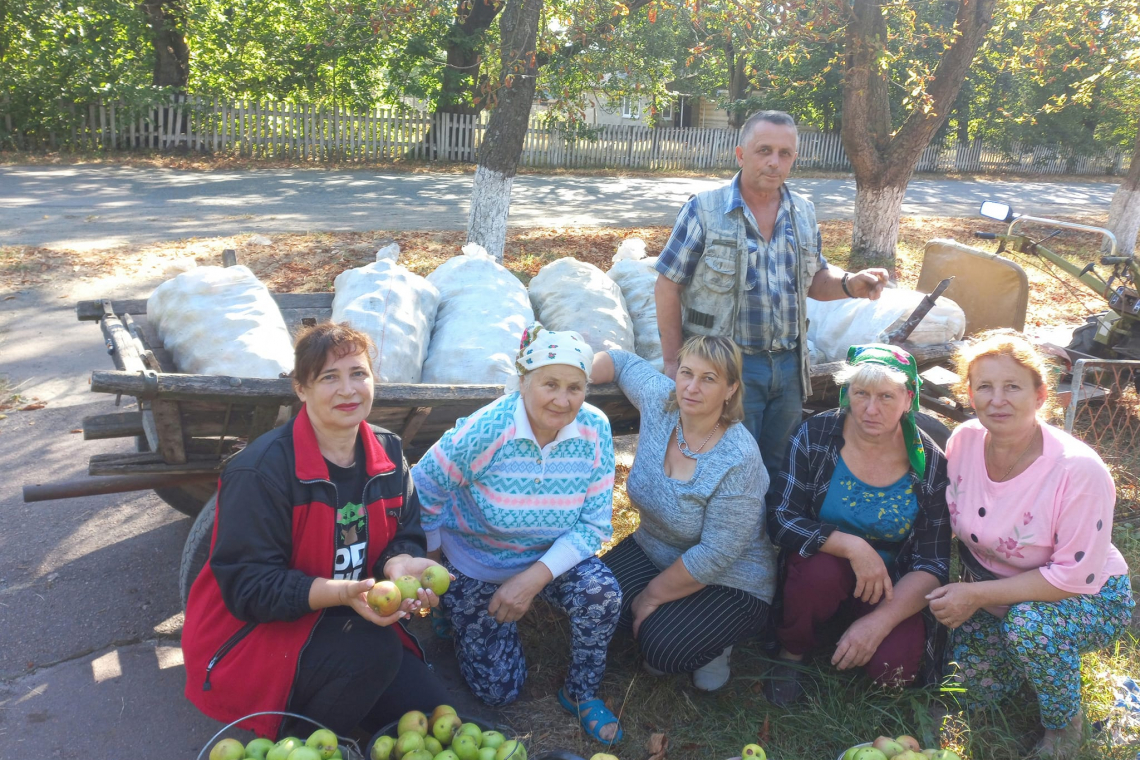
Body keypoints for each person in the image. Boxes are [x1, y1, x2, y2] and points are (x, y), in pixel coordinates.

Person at [182, 322, 452, 740]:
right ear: (301, 388)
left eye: (358, 374)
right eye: (330, 377)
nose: (348, 390)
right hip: (257, 632)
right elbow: (248, 587)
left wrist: (401, 562)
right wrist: (341, 592)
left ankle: (340, 700)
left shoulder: (388, 452)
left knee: (435, 716)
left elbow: (405, 534)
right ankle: (297, 743)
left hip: (348, 617)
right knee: (374, 655)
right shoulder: (260, 472)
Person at [412, 324, 623, 744]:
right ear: (524, 381)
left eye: (575, 388)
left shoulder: (594, 429)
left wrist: (531, 580)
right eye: (550, 384)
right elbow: (425, 484)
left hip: (550, 558)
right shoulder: (490, 428)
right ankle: (449, 610)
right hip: (478, 561)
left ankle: (579, 693)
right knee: (499, 692)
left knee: (603, 594)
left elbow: (595, 523)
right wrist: (433, 564)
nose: (562, 400)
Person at [927, 332, 1133, 759]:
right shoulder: (963, 440)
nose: (997, 399)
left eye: (1012, 387)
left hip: (1085, 594)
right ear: (969, 393)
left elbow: (1071, 577)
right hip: (993, 592)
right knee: (967, 695)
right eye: (984, 386)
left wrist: (974, 595)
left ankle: (1064, 726)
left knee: (1029, 628)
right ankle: (1028, 662)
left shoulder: (1078, 470)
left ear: (1041, 395)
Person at [654, 109, 890, 482]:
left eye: (785, 153)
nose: (774, 162)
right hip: (728, 368)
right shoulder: (705, 209)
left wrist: (850, 283)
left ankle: (771, 537)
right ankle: (725, 538)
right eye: (764, 150)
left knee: (778, 467)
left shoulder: (804, 214)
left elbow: (813, 279)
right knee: (726, 467)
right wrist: (672, 362)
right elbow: (668, 284)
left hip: (789, 366)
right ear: (741, 154)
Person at [764, 344, 951, 706]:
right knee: (819, 574)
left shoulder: (929, 461)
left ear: (908, 398)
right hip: (826, 566)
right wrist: (854, 547)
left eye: (886, 396)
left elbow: (934, 562)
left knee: (894, 671)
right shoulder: (815, 435)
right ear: (845, 392)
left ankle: (857, 628)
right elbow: (781, 519)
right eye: (861, 393)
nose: (870, 409)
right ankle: (792, 654)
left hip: (892, 583)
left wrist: (880, 622)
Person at [591, 336, 777, 692]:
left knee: (662, 648)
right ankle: (670, 620)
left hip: (731, 578)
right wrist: (577, 368)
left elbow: (716, 555)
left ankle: (716, 647)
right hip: (654, 549)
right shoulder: (662, 400)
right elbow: (622, 362)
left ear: (731, 389)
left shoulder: (738, 458)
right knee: (592, 599)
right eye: (687, 373)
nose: (692, 387)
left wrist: (651, 596)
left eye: (709, 378)